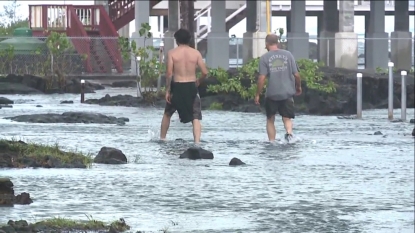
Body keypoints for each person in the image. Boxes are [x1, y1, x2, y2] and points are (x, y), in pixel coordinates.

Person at [160, 28, 208, 143]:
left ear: (176, 40)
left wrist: (168, 90)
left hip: (177, 86)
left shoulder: (172, 53)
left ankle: (162, 138)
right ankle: (197, 142)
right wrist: (198, 81)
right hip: (191, 86)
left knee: (167, 114)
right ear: (189, 40)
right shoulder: (196, 53)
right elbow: (205, 72)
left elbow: (169, 73)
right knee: (195, 117)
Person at [254, 34, 302, 142]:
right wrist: (298, 86)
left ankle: (272, 141)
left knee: (270, 119)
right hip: (287, 92)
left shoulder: (264, 58)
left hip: (272, 94)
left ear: (266, 44)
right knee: (287, 117)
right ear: (278, 43)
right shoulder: (288, 55)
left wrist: (257, 94)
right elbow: (297, 75)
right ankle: (289, 134)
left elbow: (261, 78)